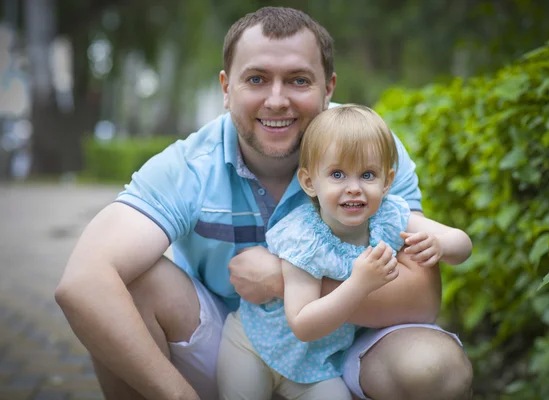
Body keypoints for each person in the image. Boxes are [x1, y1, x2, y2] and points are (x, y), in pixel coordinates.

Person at [55, 6, 473, 400]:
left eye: (298, 80)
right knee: (127, 285)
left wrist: (283, 279)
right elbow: (82, 283)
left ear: (328, 87)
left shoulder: (364, 148)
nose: (276, 100)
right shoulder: (188, 166)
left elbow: (422, 299)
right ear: (226, 88)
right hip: (230, 343)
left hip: (348, 345)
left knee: (435, 367)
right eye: (256, 79)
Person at [217, 104, 473, 400]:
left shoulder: (389, 217)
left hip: (319, 364)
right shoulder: (304, 237)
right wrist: (359, 284)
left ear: (387, 182)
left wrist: (442, 244)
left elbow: (462, 244)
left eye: (367, 175)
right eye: (337, 174)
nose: (354, 188)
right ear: (310, 182)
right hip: (255, 346)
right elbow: (302, 323)